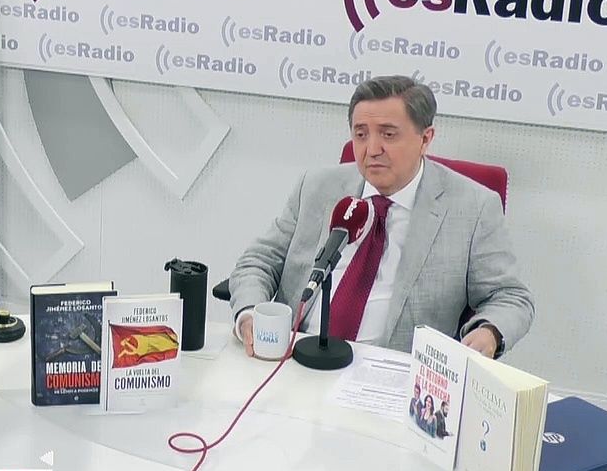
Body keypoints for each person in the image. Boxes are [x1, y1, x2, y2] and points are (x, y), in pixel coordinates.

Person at [229, 75, 535, 357]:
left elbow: (510, 297)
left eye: (388, 134)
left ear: (425, 138)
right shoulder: (317, 187)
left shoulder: (473, 207)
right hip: (297, 355)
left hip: (393, 371)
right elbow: (258, 261)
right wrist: (249, 313)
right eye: (360, 134)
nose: (372, 149)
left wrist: (489, 332)